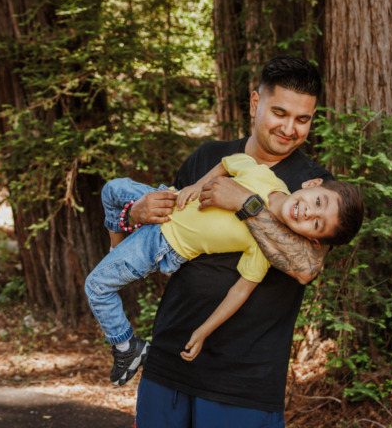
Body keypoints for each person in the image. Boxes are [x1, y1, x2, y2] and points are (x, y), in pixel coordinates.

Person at [124, 56, 340, 427]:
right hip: (168, 358)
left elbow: (306, 267)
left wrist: (245, 202)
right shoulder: (208, 156)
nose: (290, 128)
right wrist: (135, 213)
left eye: (302, 119)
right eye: (280, 113)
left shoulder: (314, 187)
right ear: (255, 103)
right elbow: (160, 238)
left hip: (244, 380)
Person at [85, 153, 363, 386]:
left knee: (96, 286)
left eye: (317, 224)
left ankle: (126, 346)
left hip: (163, 241)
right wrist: (197, 185)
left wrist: (204, 330)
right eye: (318, 202)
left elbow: (240, 291)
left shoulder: (267, 245)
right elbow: (230, 162)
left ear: (313, 239)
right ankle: (116, 251)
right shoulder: (266, 177)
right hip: (169, 199)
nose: (309, 213)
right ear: (313, 183)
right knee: (113, 189)